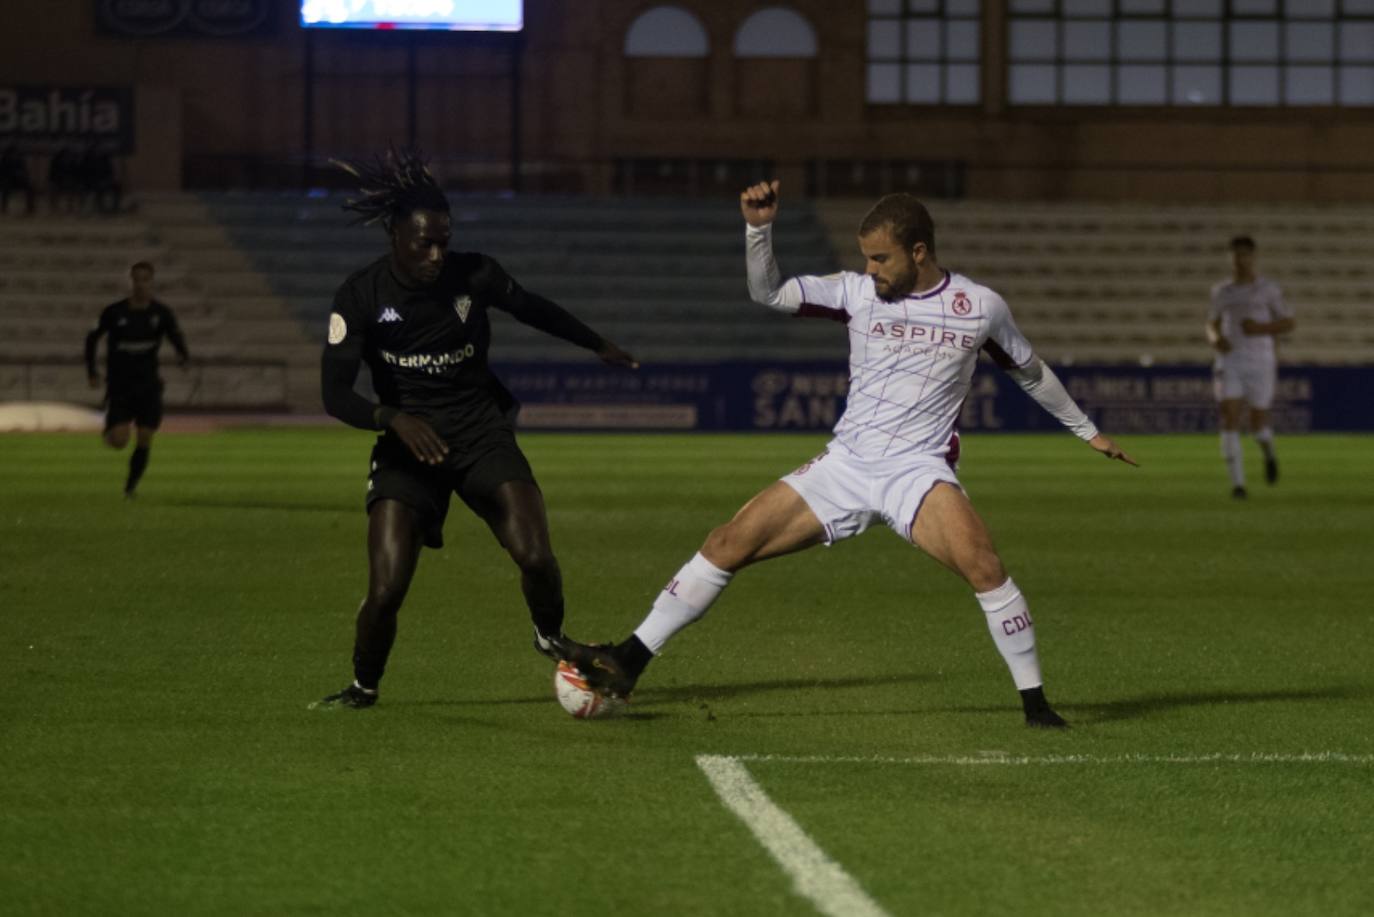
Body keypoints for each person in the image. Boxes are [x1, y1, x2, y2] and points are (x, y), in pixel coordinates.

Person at [558, 181, 1136, 729]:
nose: (870, 270)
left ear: (918, 251)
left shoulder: (979, 307)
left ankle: (1036, 706)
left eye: (881, 259)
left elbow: (1029, 372)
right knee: (725, 544)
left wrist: (1087, 431)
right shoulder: (856, 293)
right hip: (846, 466)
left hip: (917, 472)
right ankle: (629, 661)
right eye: (866, 258)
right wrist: (758, 230)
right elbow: (771, 293)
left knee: (985, 568)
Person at [314, 148, 638, 710]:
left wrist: (596, 343)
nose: (437, 254)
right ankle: (363, 687)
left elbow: (534, 308)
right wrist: (393, 418)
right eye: (424, 243)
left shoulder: (475, 273)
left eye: (444, 240)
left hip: (480, 430)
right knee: (387, 588)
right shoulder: (359, 295)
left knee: (536, 556)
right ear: (395, 236)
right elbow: (334, 394)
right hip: (407, 445)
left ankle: (548, 635)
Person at [84, 261, 190, 497]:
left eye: (145, 279)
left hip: (149, 385)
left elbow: (175, 336)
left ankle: (130, 488)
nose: (141, 284)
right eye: (136, 279)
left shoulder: (161, 313)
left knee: (144, 437)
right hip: (120, 385)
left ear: (152, 282)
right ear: (130, 282)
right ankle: (109, 431)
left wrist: (184, 357)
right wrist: (92, 371)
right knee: (120, 441)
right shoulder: (114, 312)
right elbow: (92, 339)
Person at [1206, 236, 1295, 499]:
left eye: (1245, 254)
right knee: (1229, 417)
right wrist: (1215, 339)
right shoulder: (1222, 291)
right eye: (1235, 255)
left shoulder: (1268, 289)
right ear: (1230, 258)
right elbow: (1211, 322)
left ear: (1253, 257)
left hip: (1261, 361)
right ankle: (1239, 485)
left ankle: (1268, 449)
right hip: (1230, 359)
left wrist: (1261, 329)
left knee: (1258, 423)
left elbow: (1289, 322)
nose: (1240, 260)